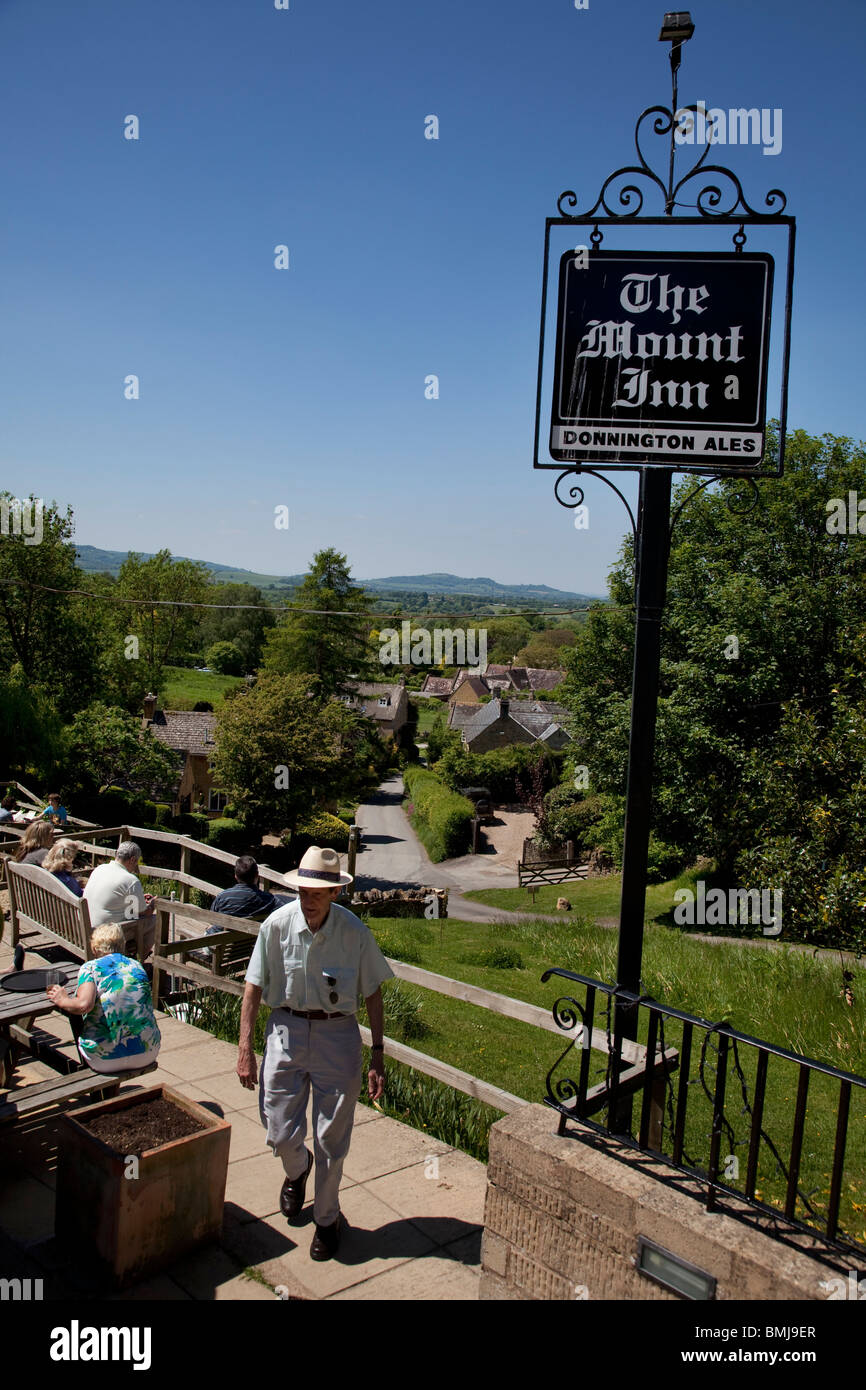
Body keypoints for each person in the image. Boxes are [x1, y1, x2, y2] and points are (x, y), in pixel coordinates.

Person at [237, 846, 393, 1261]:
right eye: (303, 890)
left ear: (335, 894)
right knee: (277, 1127)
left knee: (331, 1137)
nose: (307, 899)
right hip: (285, 1031)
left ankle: (327, 1219)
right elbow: (252, 987)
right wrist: (245, 1049)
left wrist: (377, 1054)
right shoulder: (275, 926)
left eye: (317, 893)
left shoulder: (354, 932)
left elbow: (374, 992)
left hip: (337, 1037)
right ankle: (297, 1167)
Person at [47, 922, 161, 1074]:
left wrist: (62, 999)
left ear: (94, 948)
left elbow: (83, 1005)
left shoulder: (91, 968)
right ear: (122, 945)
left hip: (105, 1059)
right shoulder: (136, 965)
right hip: (148, 1051)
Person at [83, 841, 157, 959]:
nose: (136, 866)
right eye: (136, 862)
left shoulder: (100, 869)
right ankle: (138, 960)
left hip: (86, 925)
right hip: (106, 932)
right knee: (155, 921)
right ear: (132, 859)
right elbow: (144, 912)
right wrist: (153, 904)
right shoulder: (130, 880)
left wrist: (137, 900)